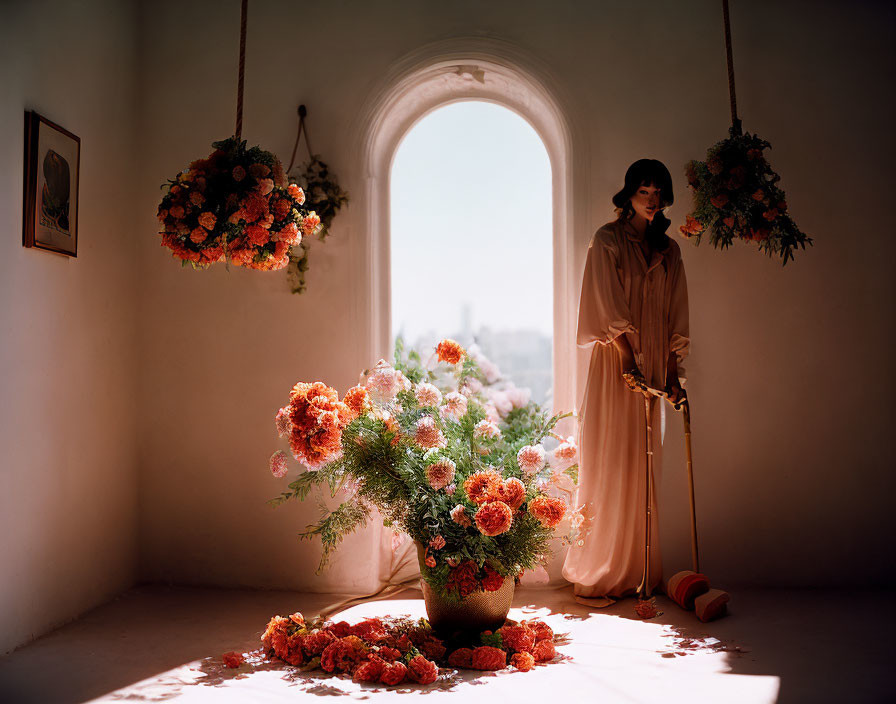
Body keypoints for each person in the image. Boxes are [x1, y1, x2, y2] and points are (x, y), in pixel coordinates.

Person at [562, 158, 689, 603]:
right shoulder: (607, 240)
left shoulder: (669, 250)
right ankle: (599, 570)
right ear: (629, 193)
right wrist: (627, 358)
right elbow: (604, 303)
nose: (652, 201)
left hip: (653, 363)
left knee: (645, 461)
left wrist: (672, 375)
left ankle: (639, 570)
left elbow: (676, 313)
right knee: (611, 456)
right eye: (644, 191)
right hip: (619, 363)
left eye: (658, 193)